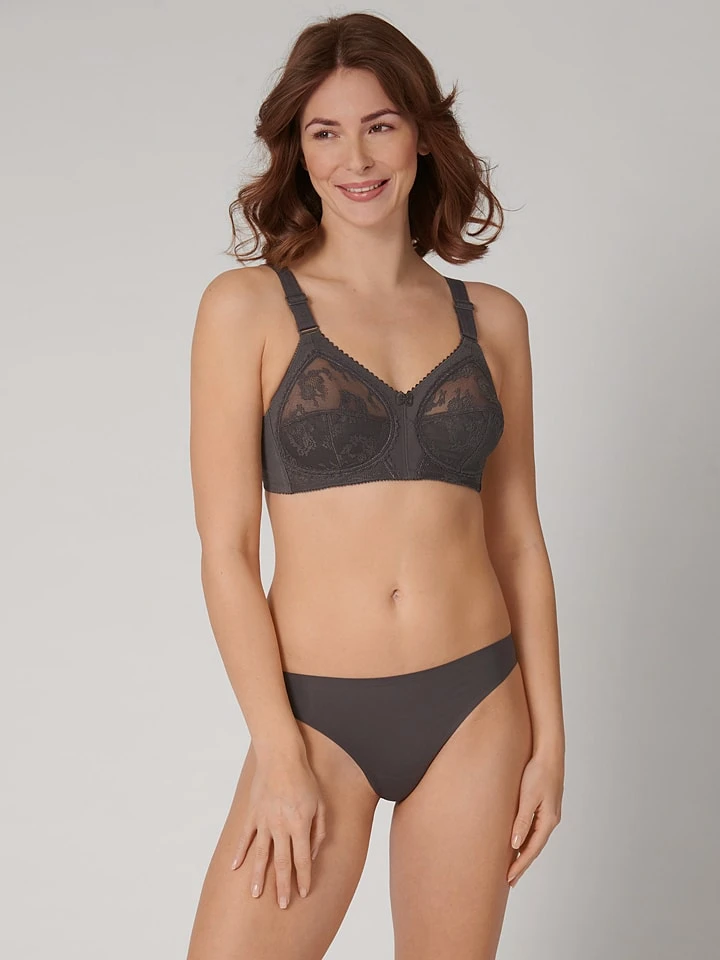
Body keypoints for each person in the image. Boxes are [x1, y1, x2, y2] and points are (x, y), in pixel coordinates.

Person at [186, 12, 564, 960]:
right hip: (318, 715)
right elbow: (227, 553)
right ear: (299, 150)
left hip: (478, 703)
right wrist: (278, 753)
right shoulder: (247, 309)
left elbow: (518, 540)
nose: (355, 158)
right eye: (325, 132)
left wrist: (550, 741)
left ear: (421, 136)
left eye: (380, 125)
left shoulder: (494, 321)